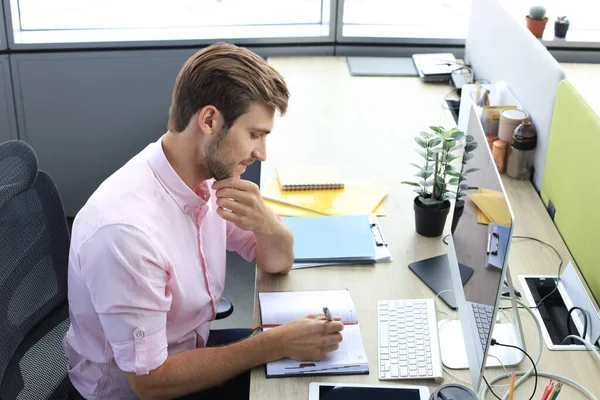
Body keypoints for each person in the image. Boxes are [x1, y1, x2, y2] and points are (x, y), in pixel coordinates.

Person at [63, 42, 344, 400]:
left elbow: (278, 261)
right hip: (143, 390)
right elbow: (150, 382)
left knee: (323, 369)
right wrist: (271, 344)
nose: (261, 153)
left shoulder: (207, 179)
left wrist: (264, 222)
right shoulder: (126, 232)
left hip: (189, 350)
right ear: (210, 120)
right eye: (254, 134)